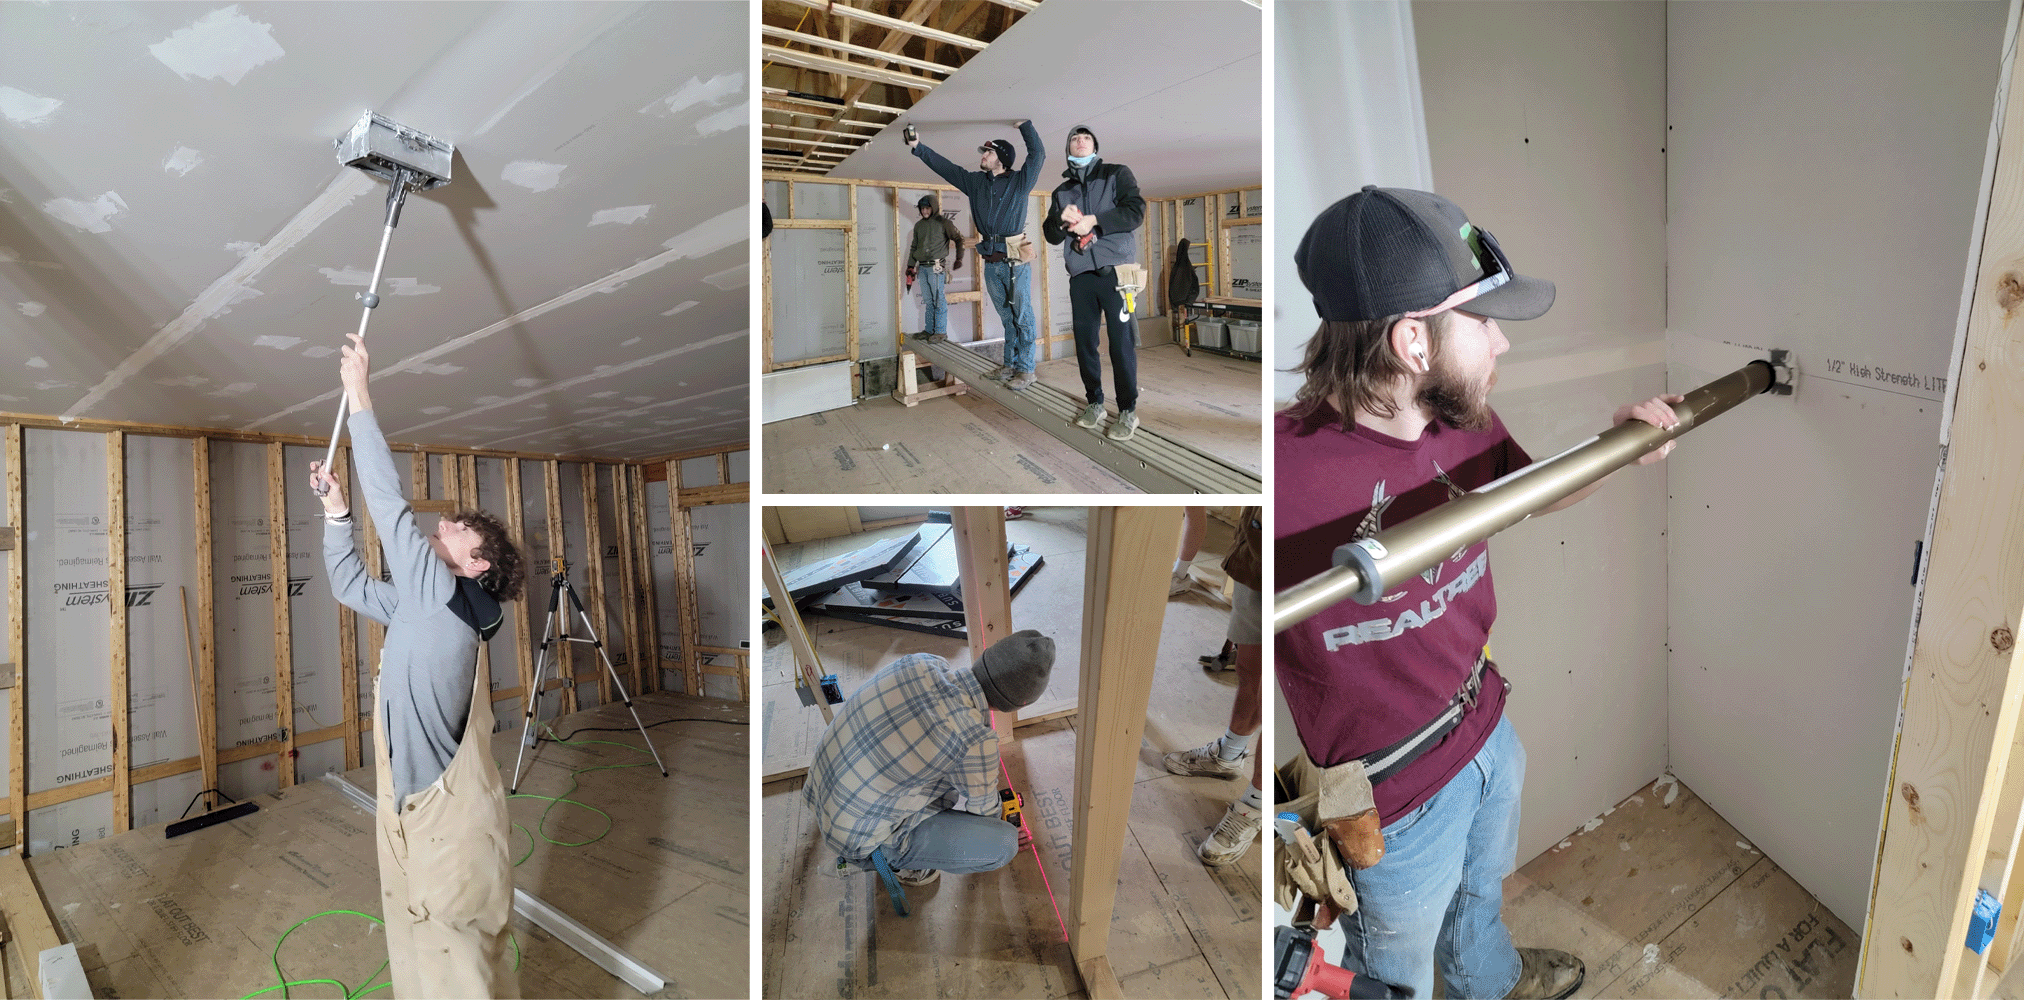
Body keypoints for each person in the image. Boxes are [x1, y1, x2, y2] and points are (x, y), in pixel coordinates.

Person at [1275, 186, 1685, 1000]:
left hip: (1487, 731)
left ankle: (1490, 983)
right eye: (1481, 318)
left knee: (1481, 899)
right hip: (1392, 806)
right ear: (1412, 342)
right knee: (1392, 977)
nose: (1501, 340)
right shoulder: (1280, 476)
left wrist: (1616, 449)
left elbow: (1526, 492)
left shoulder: (1459, 420)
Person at [308, 332, 528, 1000]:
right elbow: (350, 588)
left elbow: (393, 508)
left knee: (457, 966)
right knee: (415, 951)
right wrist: (337, 515)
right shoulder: (423, 602)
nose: (443, 526)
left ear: (478, 564)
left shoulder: (445, 598)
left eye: (458, 529)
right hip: (402, 802)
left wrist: (361, 397)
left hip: (443, 817)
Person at [803, 630, 1055, 886]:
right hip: (857, 838)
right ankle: (891, 863)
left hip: (821, 788)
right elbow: (985, 814)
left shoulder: (923, 662)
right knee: (1003, 844)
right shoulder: (976, 740)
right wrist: (1004, 821)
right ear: (1017, 704)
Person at [907, 121, 1046, 389]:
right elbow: (947, 168)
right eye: (984, 152)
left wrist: (1026, 127)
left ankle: (1027, 370)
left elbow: (1038, 155)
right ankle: (1010, 365)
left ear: (1002, 159)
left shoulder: (1020, 182)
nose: (983, 156)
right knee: (1007, 318)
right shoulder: (975, 182)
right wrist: (918, 148)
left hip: (1015, 262)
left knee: (1023, 316)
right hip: (992, 264)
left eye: (989, 153)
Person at [1163, 506, 1264, 867]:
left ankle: (1256, 804)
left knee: (1281, 694)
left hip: (1301, 561)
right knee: (1253, 669)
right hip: (1257, 547)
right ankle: (1229, 754)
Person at [1044, 125, 1147, 440]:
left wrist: (1095, 220)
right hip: (1081, 277)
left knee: (1121, 344)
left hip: (1116, 274)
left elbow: (1135, 211)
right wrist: (1063, 220)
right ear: (1068, 150)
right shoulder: (1061, 191)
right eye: (1074, 138)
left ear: (1095, 146)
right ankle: (1095, 403)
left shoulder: (1116, 174)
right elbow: (1050, 233)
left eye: (1085, 137)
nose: (1079, 140)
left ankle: (1128, 410)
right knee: (1085, 342)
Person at [907, 194, 965, 344]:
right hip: (923, 268)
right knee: (928, 301)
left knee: (939, 300)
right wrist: (910, 266)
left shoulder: (944, 223)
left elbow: (958, 239)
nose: (925, 211)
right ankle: (929, 331)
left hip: (936, 267)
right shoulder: (919, 226)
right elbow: (914, 247)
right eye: (922, 209)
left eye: (927, 208)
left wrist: (959, 258)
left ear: (933, 208)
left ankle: (940, 332)